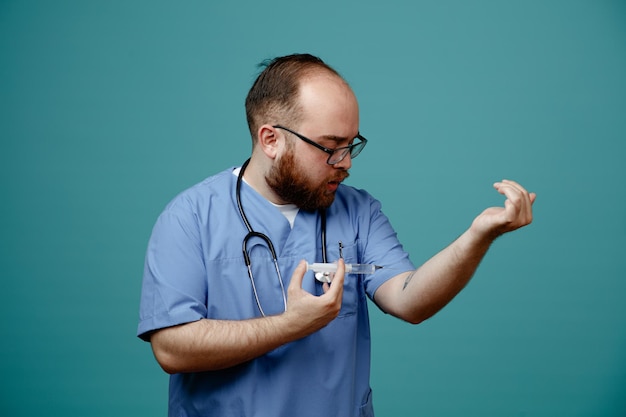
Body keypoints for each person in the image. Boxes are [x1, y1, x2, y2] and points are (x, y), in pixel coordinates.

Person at [137, 53, 536, 417]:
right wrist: (290, 325)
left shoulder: (358, 210)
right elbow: (171, 347)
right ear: (271, 139)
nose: (344, 164)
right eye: (329, 147)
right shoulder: (190, 217)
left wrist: (479, 236)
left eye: (351, 145)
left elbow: (409, 300)